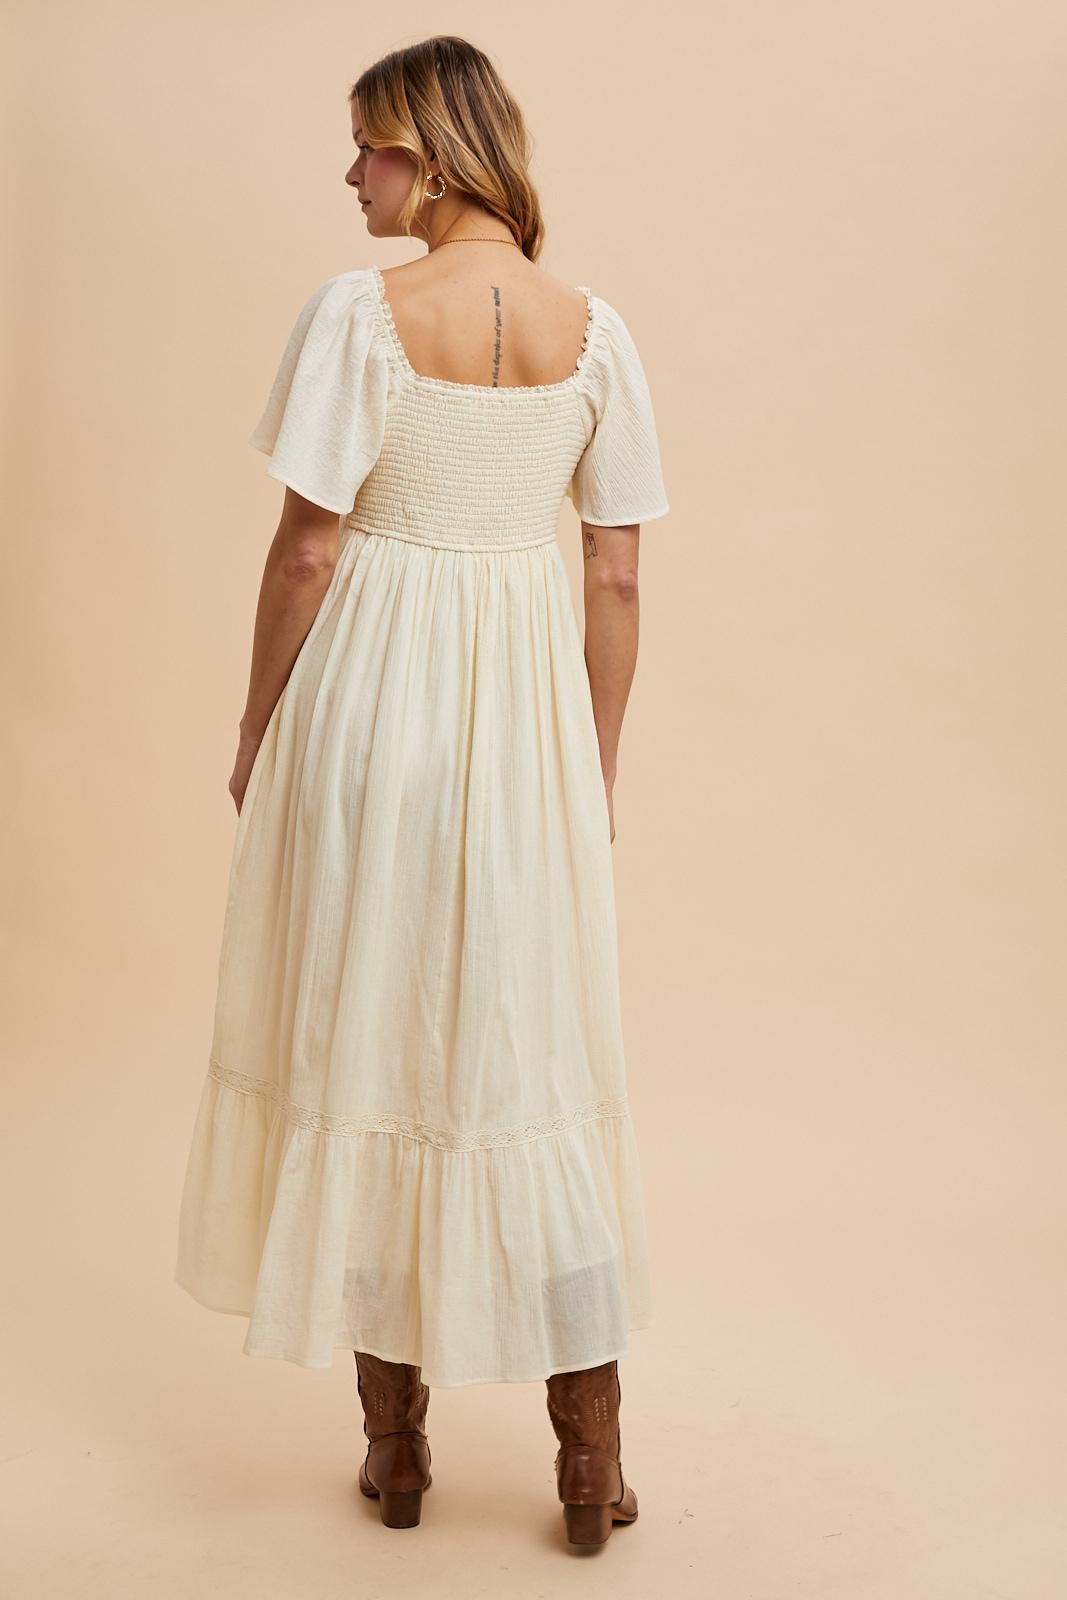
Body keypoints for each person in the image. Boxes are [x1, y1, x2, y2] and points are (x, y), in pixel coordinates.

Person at [174, 34, 669, 1546]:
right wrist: (587, 769)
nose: (352, 176)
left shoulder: (358, 316)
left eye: (369, 148)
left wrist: (256, 721)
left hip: (369, 707)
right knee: (537, 1065)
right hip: (523, 721)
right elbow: (616, 572)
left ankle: (396, 1452)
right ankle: (588, 1462)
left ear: (434, 154)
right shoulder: (602, 334)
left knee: (371, 1032)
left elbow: (308, 547)